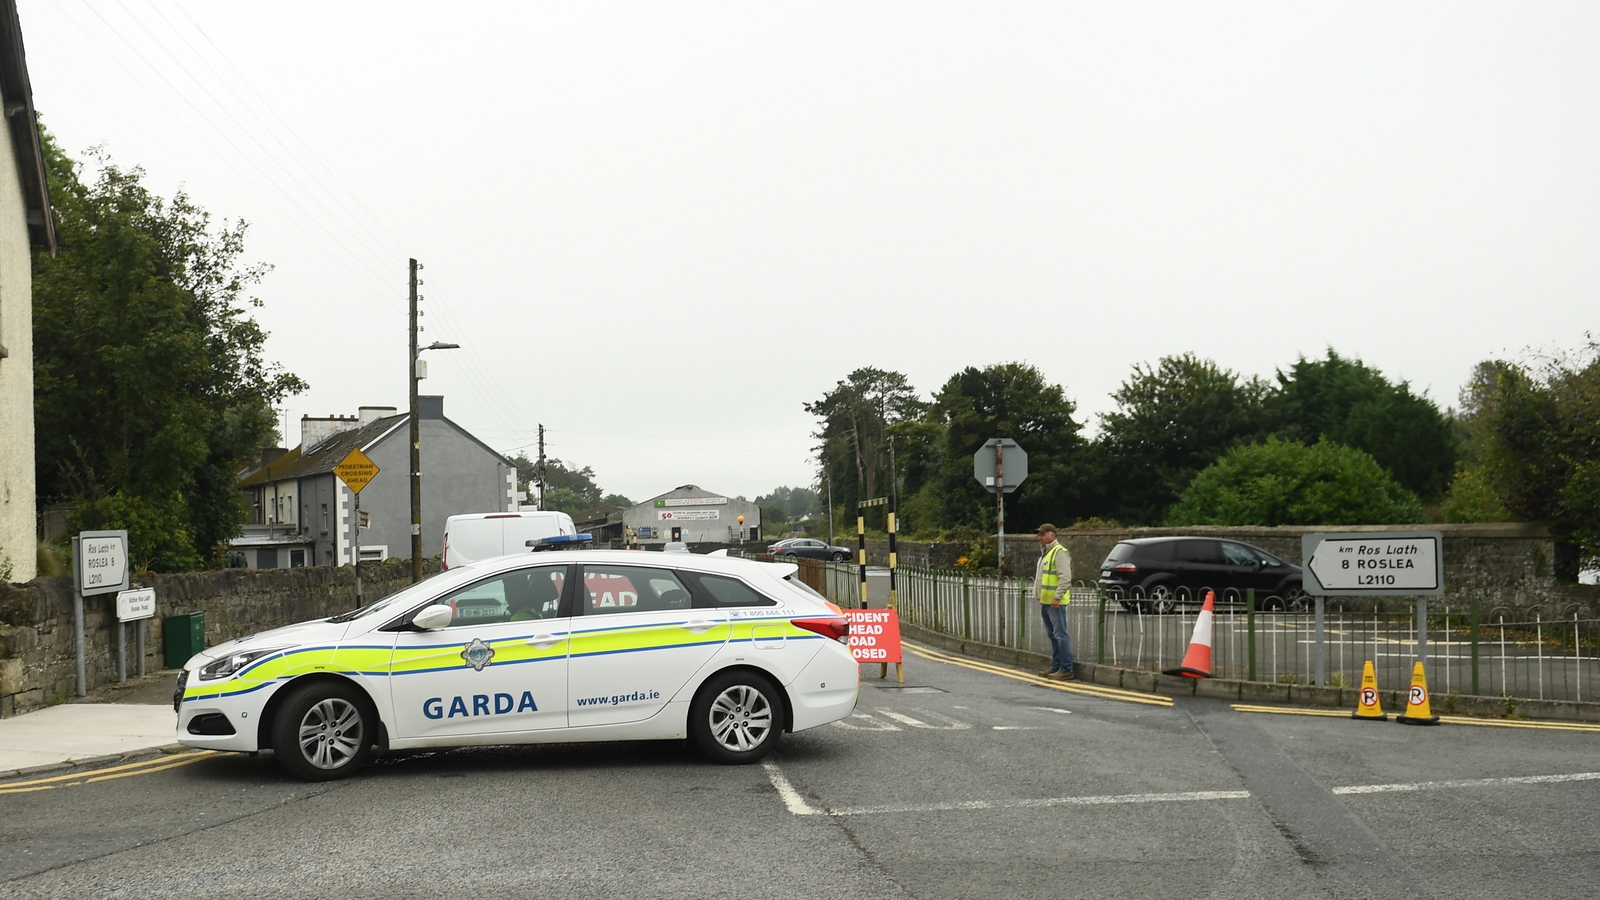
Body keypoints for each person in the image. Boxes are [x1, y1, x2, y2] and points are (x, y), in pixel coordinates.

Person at [1033, 523, 1074, 680]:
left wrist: (1057, 597)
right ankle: (1056, 665)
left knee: (1060, 634)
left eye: (1042, 534)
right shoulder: (1046, 553)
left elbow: (1065, 578)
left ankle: (1066, 668)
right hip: (1046, 601)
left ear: (1052, 535)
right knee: (1052, 635)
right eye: (1039, 535)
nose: (1040, 537)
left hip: (1055, 602)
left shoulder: (1059, 552)